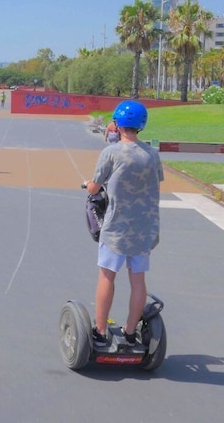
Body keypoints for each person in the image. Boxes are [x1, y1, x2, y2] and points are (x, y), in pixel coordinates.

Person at [84, 100, 163, 347]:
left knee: (107, 276)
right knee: (138, 280)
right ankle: (130, 332)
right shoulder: (152, 154)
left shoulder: (112, 152)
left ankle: (99, 331)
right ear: (141, 125)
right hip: (145, 229)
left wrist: (90, 185)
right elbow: (155, 181)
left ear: (116, 125)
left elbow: (96, 186)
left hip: (117, 228)